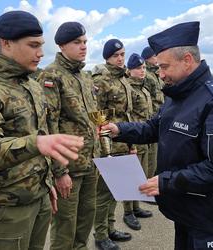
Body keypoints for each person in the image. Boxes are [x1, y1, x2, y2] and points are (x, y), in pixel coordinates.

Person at [103, 21, 213, 250]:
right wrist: (120, 130)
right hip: (185, 208)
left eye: (165, 67)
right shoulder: (178, 94)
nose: (160, 74)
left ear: (187, 60)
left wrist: (165, 182)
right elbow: (154, 128)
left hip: (208, 218)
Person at [0, 11, 84, 250]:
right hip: (8, 208)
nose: (41, 53)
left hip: (40, 197)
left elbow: (44, 131)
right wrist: (37, 143)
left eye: (41, 45)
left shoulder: (33, 86)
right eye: (33, 45)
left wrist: (47, 183)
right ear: (5, 43)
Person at [36, 22, 99, 250]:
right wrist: (59, 171)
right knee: (65, 228)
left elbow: (91, 120)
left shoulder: (84, 76)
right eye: (77, 42)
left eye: (84, 42)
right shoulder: (51, 75)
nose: (83, 47)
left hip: (91, 162)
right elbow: (47, 125)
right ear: (62, 45)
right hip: (69, 167)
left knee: (85, 222)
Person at [91, 39, 132, 250]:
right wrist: (105, 151)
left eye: (122, 54)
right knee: (103, 194)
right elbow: (98, 117)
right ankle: (100, 234)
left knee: (117, 191)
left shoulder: (124, 79)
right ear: (107, 57)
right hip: (108, 147)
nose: (120, 58)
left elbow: (127, 114)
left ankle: (110, 228)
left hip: (123, 142)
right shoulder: (102, 80)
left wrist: (131, 143)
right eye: (116, 55)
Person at [123, 53, 153, 227]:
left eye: (143, 68)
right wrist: (130, 143)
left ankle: (136, 207)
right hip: (134, 138)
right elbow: (128, 116)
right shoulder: (129, 89)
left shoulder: (143, 88)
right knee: (130, 178)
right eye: (138, 68)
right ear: (130, 70)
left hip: (145, 138)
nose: (142, 71)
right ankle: (128, 212)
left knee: (140, 176)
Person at [141, 46, 165, 183]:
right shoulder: (147, 76)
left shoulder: (157, 74)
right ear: (148, 58)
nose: (157, 58)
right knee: (149, 158)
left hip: (160, 116)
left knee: (155, 157)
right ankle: (147, 185)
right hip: (151, 118)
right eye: (154, 56)